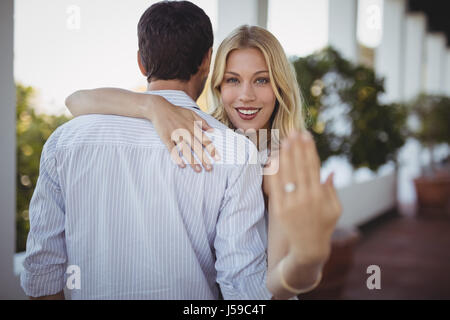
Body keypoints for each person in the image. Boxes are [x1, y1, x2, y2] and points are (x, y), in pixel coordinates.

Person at [65, 20, 343, 300]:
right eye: (233, 79)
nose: (246, 95)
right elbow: (76, 101)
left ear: (279, 87)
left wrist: (308, 260)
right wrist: (151, 105)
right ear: (218, 83)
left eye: (261, 80)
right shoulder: (199, 127)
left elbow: (273, 286)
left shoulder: (276, 161)